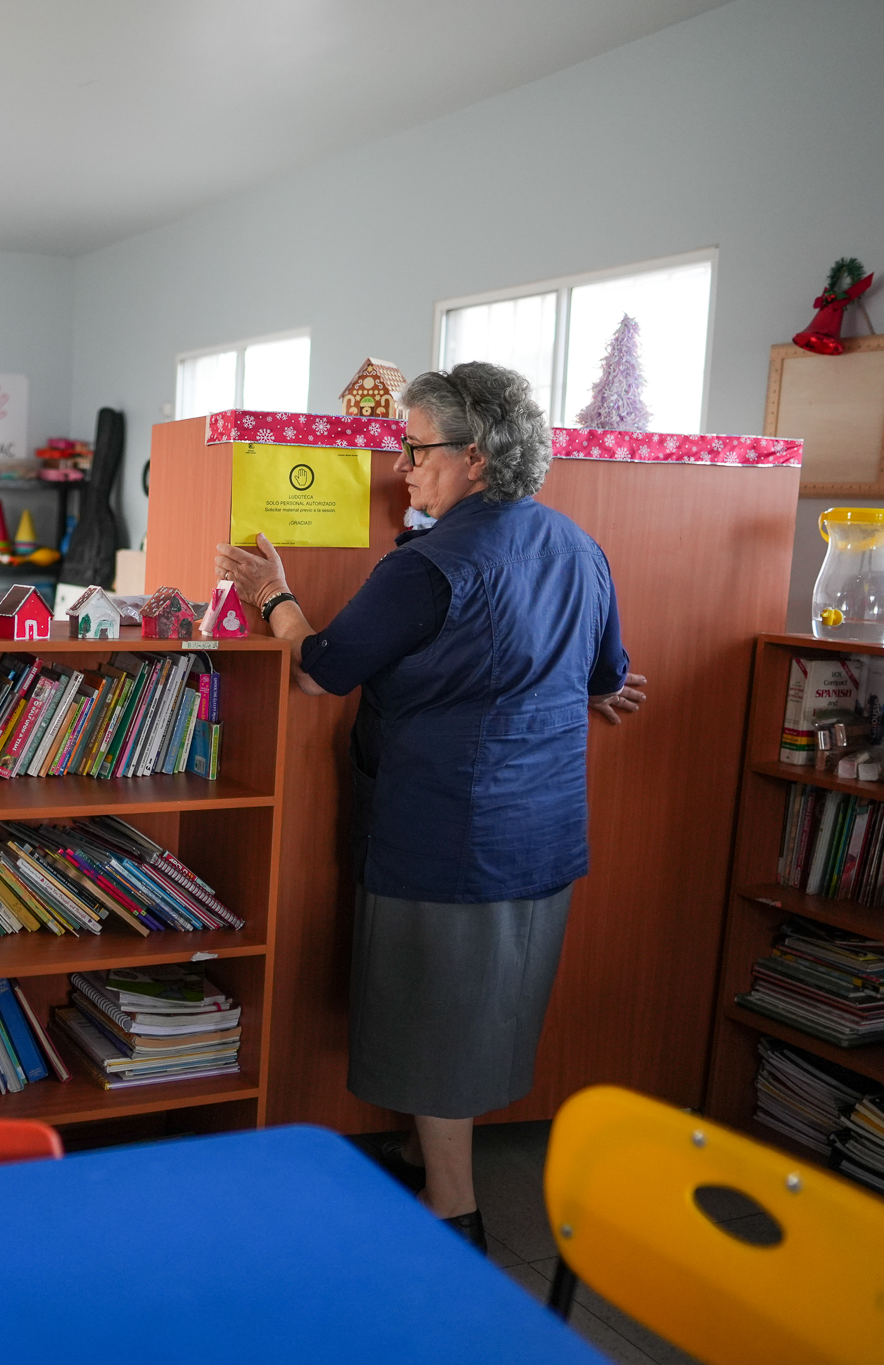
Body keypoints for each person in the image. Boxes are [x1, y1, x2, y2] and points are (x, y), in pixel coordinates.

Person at [215, 362, 647, 1250]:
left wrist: (275, 599)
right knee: (485, 1001)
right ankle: (421, 1152)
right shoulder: (579, 545)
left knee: (440, 1013)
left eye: (417, 451)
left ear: (478, 457)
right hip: (546, 829)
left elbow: (325, 666)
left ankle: (455, 1210)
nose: (402, 469)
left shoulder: (431, 564)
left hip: (451, 826)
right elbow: (607, 675)